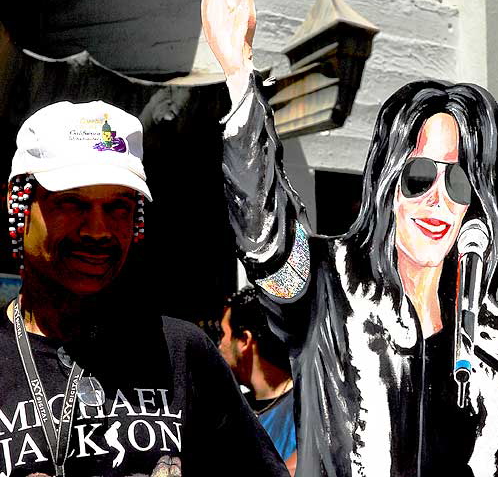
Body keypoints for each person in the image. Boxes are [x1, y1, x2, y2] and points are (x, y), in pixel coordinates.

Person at [202, 0, 498, 476]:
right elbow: (266, 238)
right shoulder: (327, 291)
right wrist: (239, 73)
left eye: (460, 182)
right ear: (386, 186)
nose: (438, 198)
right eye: (419, 176)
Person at [1, 100, 288, 476]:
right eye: (71, 203)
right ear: (19, 204)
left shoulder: (180, 351)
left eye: (118, 207)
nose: (98, 230)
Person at [218, 286, 297, 475]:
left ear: (244, 340)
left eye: (223, 334)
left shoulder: (308, 406)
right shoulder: (229, 411)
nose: (219, 345)